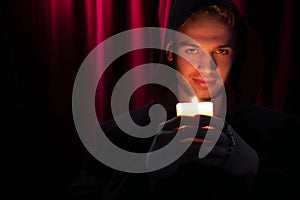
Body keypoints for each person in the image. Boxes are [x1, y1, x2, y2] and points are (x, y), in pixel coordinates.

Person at [67, 0, 300, 199]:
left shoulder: (280, 132)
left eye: (221, 51)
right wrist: (144, 172)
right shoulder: (119, 135)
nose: (207, 66)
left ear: (237, 54)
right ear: (169, 50)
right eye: (192, 50)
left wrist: (257, 168)